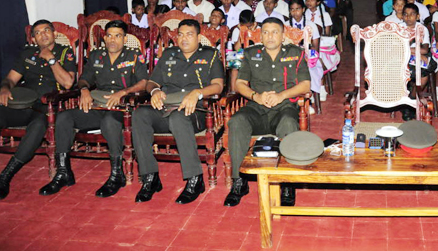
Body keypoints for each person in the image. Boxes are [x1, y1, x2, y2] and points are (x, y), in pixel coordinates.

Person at [39, 20, 148, 198]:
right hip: (98, 105)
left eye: (117, 36)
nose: (112, 40)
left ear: (124, 38)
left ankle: (117, 175)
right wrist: (83, 90)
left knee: (109, 122)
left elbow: (144, 82)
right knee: (65, 117)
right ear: (105, 38)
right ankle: (63, 172)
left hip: (123, 109)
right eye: (109, 35)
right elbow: (84, 79)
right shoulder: (96, 55)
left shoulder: (133, 55)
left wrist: (123, 92)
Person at [0, 20, 76, 200]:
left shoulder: (65, 53)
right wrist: (5, 88)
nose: (43, 35)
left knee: (37, 126)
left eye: (46, 30)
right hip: (22, 104)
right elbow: (10, 79)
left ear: (54, 34)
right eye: (38, 32)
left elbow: (68, 83)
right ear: (33, 39)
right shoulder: (27, 53)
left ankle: (6, 175)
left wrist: (50, 58)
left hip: (47, 107)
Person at [132, 19, 224, 204]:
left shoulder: (210, 54)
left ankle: (195, 179)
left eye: (189, 34)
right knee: (139, 115)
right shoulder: (169, 54)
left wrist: (197, 93)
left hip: (196, 111)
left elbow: (218, 86)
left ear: (198, 37)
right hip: (166, 108)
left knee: (178, 117)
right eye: (180, 34)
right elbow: (152, 82)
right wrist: (155, 91)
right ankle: (150, 176)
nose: (184, 38)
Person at [224, 18, 311, 207]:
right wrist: (255, 96)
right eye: (265, 32)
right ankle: (239, 182)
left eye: (274, 32)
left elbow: (306, 85)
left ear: (283, 36)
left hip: (284, 107)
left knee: (289, 122)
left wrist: (281, 96)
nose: (270, 36)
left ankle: (287, 183)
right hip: (257, 108)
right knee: (237, 121)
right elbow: (239, 84)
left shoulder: (295, 53)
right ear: (261, 36)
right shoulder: (250, 54)